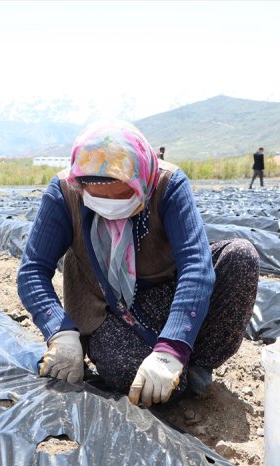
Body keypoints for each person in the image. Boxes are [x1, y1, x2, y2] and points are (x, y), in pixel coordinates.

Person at [17, 120, 259, 407]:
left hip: (167, 292)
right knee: (126, 372)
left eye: (122, 195)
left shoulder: (167, 184)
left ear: (142, 179)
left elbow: (196, 266)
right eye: (98, 198)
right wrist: (61, 331)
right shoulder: (65, 193)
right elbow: (32, 271)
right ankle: (173, 379)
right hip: (107, 307)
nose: (110, 207)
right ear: (81, 184)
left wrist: (172, 348)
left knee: (241, 257)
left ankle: (194, 364)